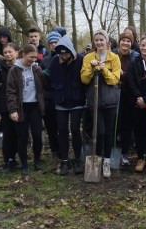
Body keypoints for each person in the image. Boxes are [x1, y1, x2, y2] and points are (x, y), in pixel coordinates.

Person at [81, 29, 122, 178]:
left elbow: (114, 80)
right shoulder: (88, 58)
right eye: (96, 40)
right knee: (99, 131)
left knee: (109, 132)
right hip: (95, 100)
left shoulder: (114, 58)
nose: (99, 43)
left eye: (101, 40)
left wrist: (104, 70)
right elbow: (84, 79)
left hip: (110, 100)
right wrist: (92, 69)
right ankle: (97, 158)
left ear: (107, 43)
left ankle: (106, 161)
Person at [49, 36, 86, 175]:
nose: (64, 56)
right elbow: (49, 78)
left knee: (75, 130)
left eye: (66, 53)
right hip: (61, 101)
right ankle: (64, 160)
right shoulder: (54, 62)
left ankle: (77, 160)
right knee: (62, 130)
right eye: (61, 54)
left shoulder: (81, 60)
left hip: (77, 101)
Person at [7, 44, 47, 176]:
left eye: (35, 57)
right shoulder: (14, 70)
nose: (33, 60)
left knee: (37, 135)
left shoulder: (36, 69)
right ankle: (24, 163)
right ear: (23, 55)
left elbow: (43, 86)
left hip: (35, 106)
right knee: (22, 137)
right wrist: (13, 110)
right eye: (31, 57)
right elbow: (11, 92)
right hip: (21, 107)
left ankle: (37, 160)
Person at [127, 35, 146, 172]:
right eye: (143, 45)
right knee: (138, 130)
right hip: (137, 103)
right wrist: (139, 98)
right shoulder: (134, 62)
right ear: (140, 47)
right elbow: (131, 81)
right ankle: (140, 158)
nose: (145, 48)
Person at [0, 42, 20, 173]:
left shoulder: (21, 66)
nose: (8, 54)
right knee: (7, 135)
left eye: (10, 52)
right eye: (5, 52)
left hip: (19, 106)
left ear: (17, 53)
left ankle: (15, 159)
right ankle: (7, 160)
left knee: (17, 134)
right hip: (4, 106)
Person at [117, 32, 139, 166]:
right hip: (114, 93)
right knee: (115, 124)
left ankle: (124, 152)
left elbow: (134, 76)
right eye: (123, 41)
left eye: (128, 41)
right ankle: (114, 151)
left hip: (129, 94)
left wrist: (124, 75)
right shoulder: (113, 55)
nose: (125, 43)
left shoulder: (134, 57)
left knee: (126, 125)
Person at [40, 31, 61, 160]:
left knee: (62, 127)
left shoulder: (66, 56)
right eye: (51, 43)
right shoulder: (45, 60)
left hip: (61, 97)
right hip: (48, 97)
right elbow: (42, 78)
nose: (53, 45)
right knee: (51, 127)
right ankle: (54, 151)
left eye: (56, 42)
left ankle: (62, 151)